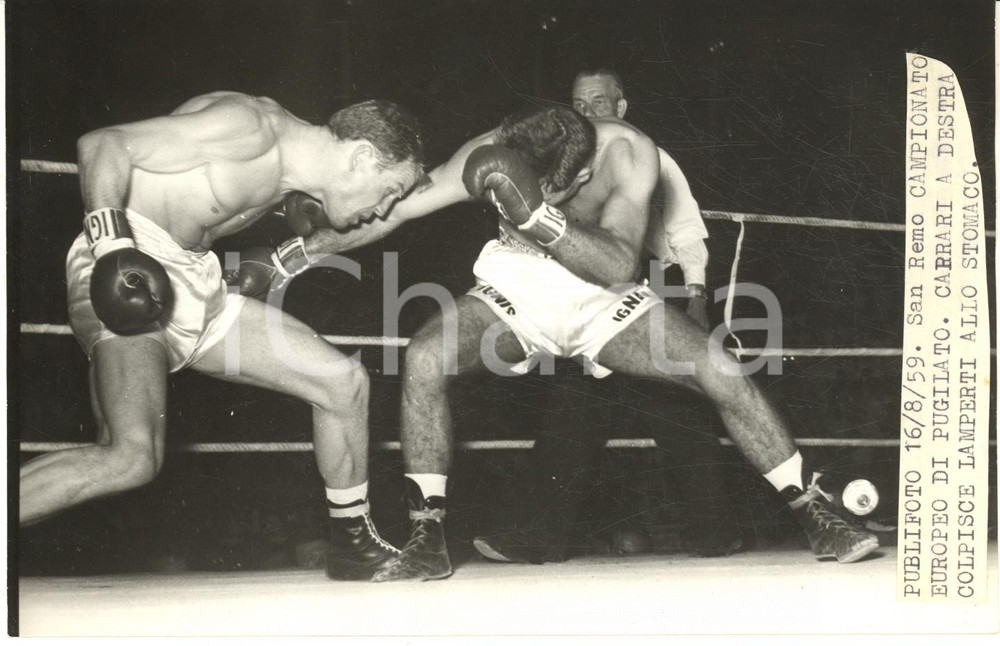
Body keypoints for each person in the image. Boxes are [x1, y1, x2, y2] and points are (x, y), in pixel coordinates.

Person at [229, 105, 879, 583]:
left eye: (554, 190)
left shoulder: (630, 157)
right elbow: (399, 207)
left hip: (604, 297)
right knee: (425, 358)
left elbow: (620, 265)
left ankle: (814, 513)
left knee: (718, 368)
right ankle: (427, 534)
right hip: (516, 291)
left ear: (583, 173)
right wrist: (293, 255)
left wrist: (539, 215)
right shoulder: (496, 147)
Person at [19, 91, 425, 581]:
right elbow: (102, 145)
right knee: (130, 457)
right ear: (360, 157)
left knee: (343, 381)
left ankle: (354, 545)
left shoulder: (291, 168)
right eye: (388, 190)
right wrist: (113, 250)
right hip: (133, 262)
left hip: (194, 281)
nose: (382, 209)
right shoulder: (250, 127)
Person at [470, 68, 743, 563]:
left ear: (621, 107)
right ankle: (537, 537)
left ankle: (714, 530)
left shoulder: (643, 152)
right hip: (587, 291)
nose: (590, 110)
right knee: (573, 406)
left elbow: (686, 229)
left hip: (656, 284)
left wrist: (697, 297)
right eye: (579, 102)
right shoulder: (560, 160)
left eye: (600, 100)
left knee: (679, 408)